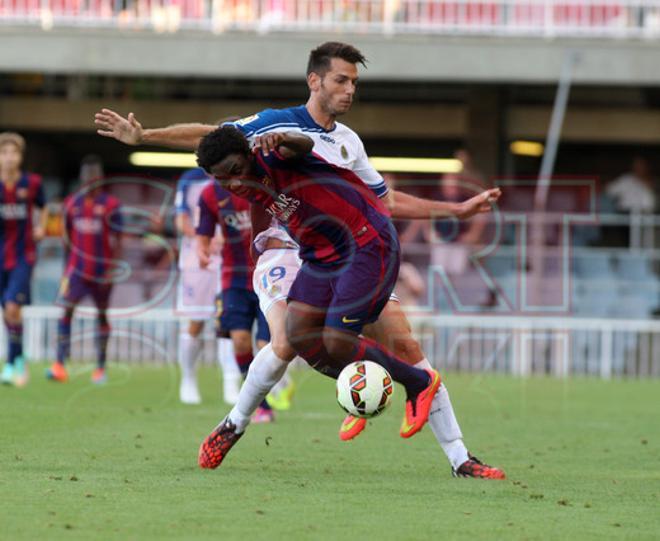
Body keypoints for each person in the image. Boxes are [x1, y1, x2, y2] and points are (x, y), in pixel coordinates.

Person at [94, 42, 505, 479]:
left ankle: (459, 456)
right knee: (291, 340)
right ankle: (236, 423)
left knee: (400, 342)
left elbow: (383, 201)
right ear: (315, 80)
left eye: (354, 83)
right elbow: (211, 136)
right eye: (340, 80)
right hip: (285, 250)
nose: (349, 90)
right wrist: (145, 137)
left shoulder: (347, 143)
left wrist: (455, 211)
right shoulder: (270, 127)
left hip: (350, 249)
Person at [195, 126, 445, 467]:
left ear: (248, 153)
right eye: (223, 181)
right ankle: (358, 389)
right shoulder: (244, 182)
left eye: (236, 172)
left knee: (339, 339)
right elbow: (261, 204)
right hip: (320, 254)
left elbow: (303, 144)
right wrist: (260, 241)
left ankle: (419, 384)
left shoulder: (274, 153)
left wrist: (284, 137)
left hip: (364, 242)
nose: (234, 184)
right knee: (299, 335)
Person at [196, 179, 274, 423]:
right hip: (233, 278)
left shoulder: (264, 183)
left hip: (269, 275)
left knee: (266, 346)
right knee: (240, 342)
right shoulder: (210, 194)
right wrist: (202, 251)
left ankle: (274, 386)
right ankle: (263, 406)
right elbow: (204, 233)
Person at [48, 155, 123, 384]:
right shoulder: (72, 203)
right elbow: (67, 238)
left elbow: (118, 240)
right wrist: (67, 269)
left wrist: (113, 269)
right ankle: (60, 364)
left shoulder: (111, 205)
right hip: (77, 271)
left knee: (101, 315)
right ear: (82, 178)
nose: (90, 180)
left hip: (102, 271)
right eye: (86, 176)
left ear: (100, 178)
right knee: (66, 310)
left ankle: (100, 368)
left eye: (94, 176)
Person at [174, 166, 240, 405]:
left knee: (229, 321)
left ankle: (231, 382)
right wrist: (204, 237)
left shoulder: (238, 176)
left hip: (230, 257)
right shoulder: (190, 180)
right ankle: (188, 378)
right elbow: (181, 220)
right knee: (195, 322)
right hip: (197, 260)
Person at [0, 132, 46, 386]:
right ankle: (20, 360)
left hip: (23, 255)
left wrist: (40, 227)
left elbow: (44, 206)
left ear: (20, 157)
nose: (9, 158)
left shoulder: (32, 183)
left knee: (12, 308)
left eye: (13, 153)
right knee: (9, 314)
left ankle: (10, 363)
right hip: (0, 256)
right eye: (4, 153)